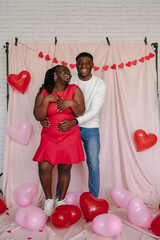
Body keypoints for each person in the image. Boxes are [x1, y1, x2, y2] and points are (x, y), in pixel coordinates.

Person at [41, 52, 106, 198]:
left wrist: (75, 121)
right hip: (67, 127)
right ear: (76, 65)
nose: (83, 66)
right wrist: (44, 118)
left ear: (92, 65)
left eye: (87, 62)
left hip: (89, 127)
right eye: (80, 63)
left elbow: (94, 110)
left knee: (94, 164)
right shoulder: (69, 79)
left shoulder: (100, 84)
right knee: (61, 162)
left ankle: (93, 199)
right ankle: (59, 199)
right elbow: (55, 99)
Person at [33, 65, 85, 216]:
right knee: (44, 167)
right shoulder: (44, 92)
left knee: (65, 168)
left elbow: (81, 111)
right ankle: (49, 199)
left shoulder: (74, 89)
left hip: (69, 135)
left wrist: (71, 103)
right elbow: (38, 116)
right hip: (49, 137)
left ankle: (60, 200)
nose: (68, 73)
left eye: (69, 71)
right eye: (64, 71)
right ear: (55, 74)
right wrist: (47, 100)